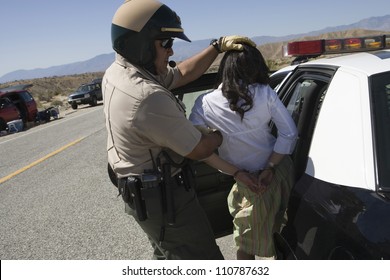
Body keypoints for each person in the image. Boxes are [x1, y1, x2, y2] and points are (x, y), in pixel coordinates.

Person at [102, 0, 256, 260]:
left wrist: (216, 47)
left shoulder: (123, 71)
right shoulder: (146, 96)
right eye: (166, 44)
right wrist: (225, 129)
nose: (171, 52)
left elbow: (182, 73)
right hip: (162, 199)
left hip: (143, 194)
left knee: (168, 254)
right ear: (140, 43)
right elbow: (200, 149)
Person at [189, 44, 298, 260]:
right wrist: (270, 167)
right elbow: (289, 134)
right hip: (278, 173)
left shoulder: (205, 103)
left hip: (247, 182)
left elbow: (198, 149)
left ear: (225, 69)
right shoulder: (265, 92)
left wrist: (237, 174)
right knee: (283, 230)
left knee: (245, 243)